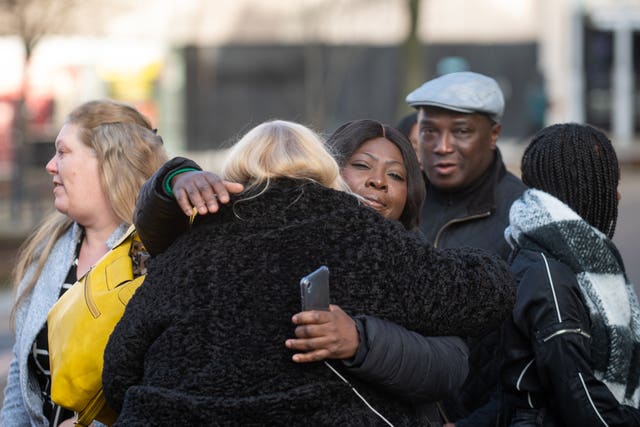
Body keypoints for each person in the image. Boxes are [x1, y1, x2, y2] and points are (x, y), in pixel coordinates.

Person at [102, 120, 515, 425]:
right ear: (328, 167)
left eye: (394, 175)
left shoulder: (188, 247)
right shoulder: (357, 232)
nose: (377, 184)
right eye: (363, 167)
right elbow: (487, 291)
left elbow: (118, 372)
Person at [0, 100, 168, 427]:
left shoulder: (161, 257)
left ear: (108, 162)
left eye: (62, 152)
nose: (50, 165)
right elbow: (20, 387)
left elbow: (171, 390)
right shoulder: (46, 253)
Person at [406, 71, 527, 426]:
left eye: (460, 131)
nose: (442, 146)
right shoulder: (396, 203)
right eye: (430, 131)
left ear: (493, 135)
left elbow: (535, 354)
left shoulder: (524, 214)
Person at [501, 123, 640, 426]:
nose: (616, 196)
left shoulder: (551, 253)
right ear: (583, 191)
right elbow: (577, 395)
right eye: (607, 184)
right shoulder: (548, 273)